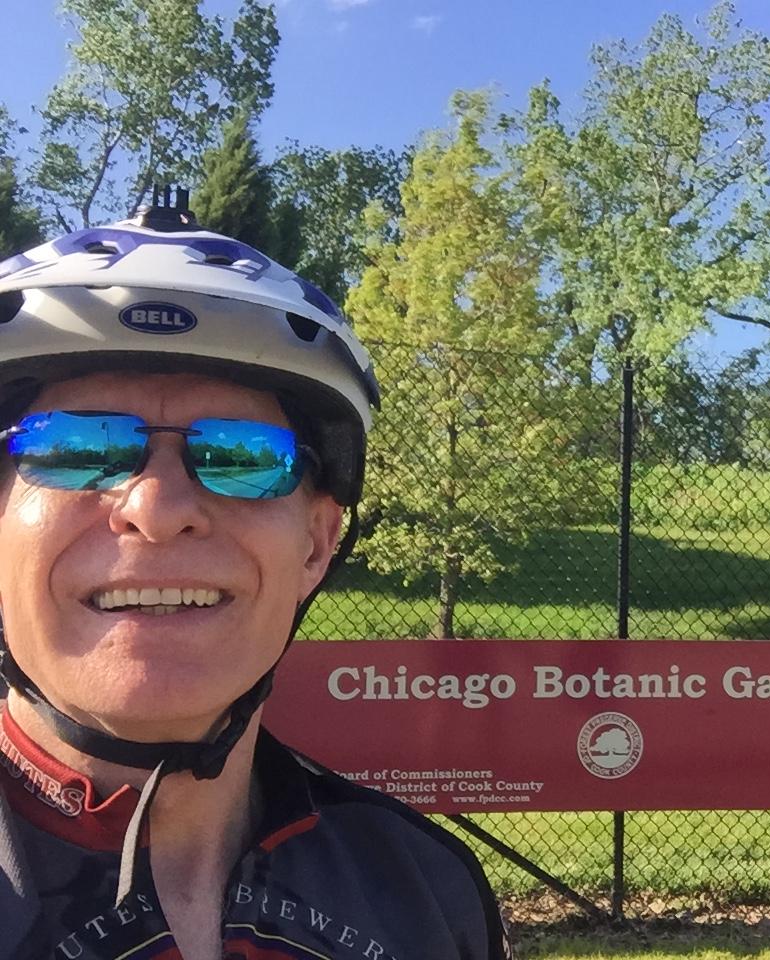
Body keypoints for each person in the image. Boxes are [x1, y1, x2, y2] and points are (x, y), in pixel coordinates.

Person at [0, 189, 510, 959]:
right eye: (74, 447)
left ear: (317, 543)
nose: (159, 506)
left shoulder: (426, 893)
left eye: (240, 457)